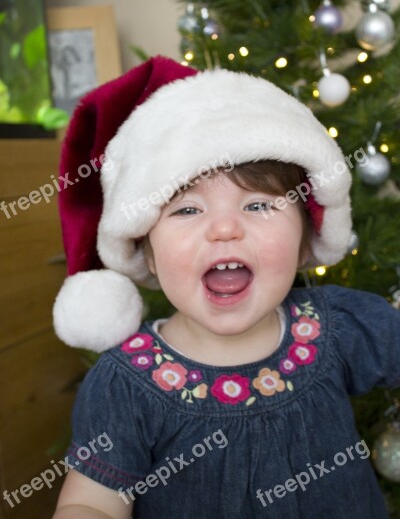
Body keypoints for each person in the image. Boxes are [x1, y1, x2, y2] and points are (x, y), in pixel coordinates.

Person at [52, 56, 400, 519]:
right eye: (187, 210)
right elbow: (90, 500)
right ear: (147, 252)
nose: (224, 229)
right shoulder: (127, 383)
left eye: (257, 205)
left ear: (305, 241)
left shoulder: (335, 326)